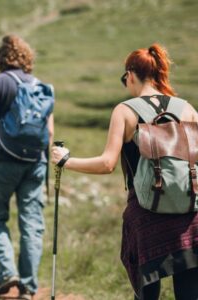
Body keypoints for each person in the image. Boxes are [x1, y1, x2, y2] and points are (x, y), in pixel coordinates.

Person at [51, 44, 198, 299]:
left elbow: (107, 163)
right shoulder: (187, 109)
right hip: (189, 215)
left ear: (131, 74)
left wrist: (67, 161)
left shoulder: (125, 111)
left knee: (147, 293)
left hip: (146, 213)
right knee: (189, 293)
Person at [0, 35, 54, 299]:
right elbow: (50, 131)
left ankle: (8, 271)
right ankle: (29, 288)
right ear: (27, 58)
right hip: (36, 163)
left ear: (1, 58)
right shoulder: (41, 87)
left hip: (4, 159)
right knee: (32, 223)